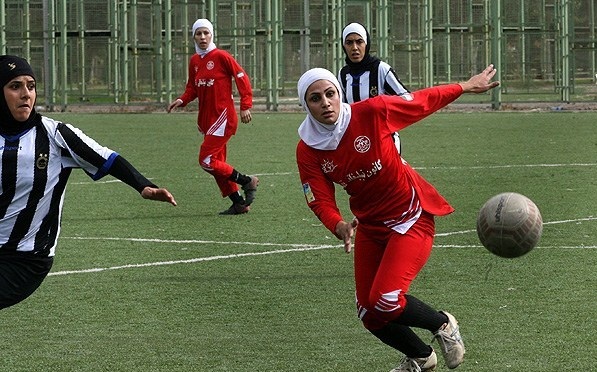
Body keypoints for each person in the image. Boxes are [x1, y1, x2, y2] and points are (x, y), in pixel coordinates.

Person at [295, 65, 499, 371]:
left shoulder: (372, 112)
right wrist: (338, 224)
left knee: (386, 300)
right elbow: (318, 197)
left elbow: (421, 101)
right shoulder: (308, 148)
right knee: (368, 312)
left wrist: (465, 87)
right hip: (370, 227)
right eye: (315, 98)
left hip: (410, 217)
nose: (325, 102)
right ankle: (421, 357)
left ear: (339, 94)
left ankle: (443, 323)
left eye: (330, 93)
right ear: (305, 105)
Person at [0, 55, 177, 310]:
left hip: (25, 259)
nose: (26, 94)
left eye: (31, 86)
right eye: (15, 86)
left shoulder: (56, 136)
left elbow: (107, 157)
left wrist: (143, 186)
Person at [167, 18, 259, 215]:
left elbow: (241, 76)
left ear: (212, 35)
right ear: (193, 37)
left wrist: (245, 105)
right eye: (198, 34)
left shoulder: (221, 56)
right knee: (217, 164)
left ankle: (247, 181)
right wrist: (182, 100)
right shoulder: (194, 61)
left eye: (205, 33)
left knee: (206, 160)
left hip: (223, 117)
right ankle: (238, 203)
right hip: (207, 120)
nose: (202, 37)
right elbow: (192, 88)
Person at [338, 22, 410, 153]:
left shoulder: (380, 69)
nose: (354, 47)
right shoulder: (343, 74)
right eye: (349, 42)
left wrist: (384, 110)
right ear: (344, 46)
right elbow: (342, 109)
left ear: (367, 44)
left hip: (384, 141)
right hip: (358, 143)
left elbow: (406, 98)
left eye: (359, 42)